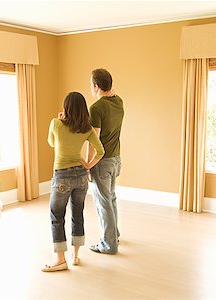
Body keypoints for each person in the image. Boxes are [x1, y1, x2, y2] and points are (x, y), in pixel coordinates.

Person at [42, 91, 104, 272]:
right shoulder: (87, 128)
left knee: (57, 215)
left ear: (66, 107)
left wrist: (59, 120)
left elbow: (51, 143)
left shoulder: (56, 124)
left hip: (62, 176)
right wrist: (88, 165)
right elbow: (100, 151)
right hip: (80, 176)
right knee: (78, 214)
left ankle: (60, 259)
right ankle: (75, 256)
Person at [87, 68, 124, 255]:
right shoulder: (119, 102)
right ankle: (113, 234)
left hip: (102, 162)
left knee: (103, 202)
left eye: (91, 85)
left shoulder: (96, 108)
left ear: (96, 86)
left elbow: (95, 141)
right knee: (111, 198)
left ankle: (108, 244)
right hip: (116, 159)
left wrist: (88, 164)